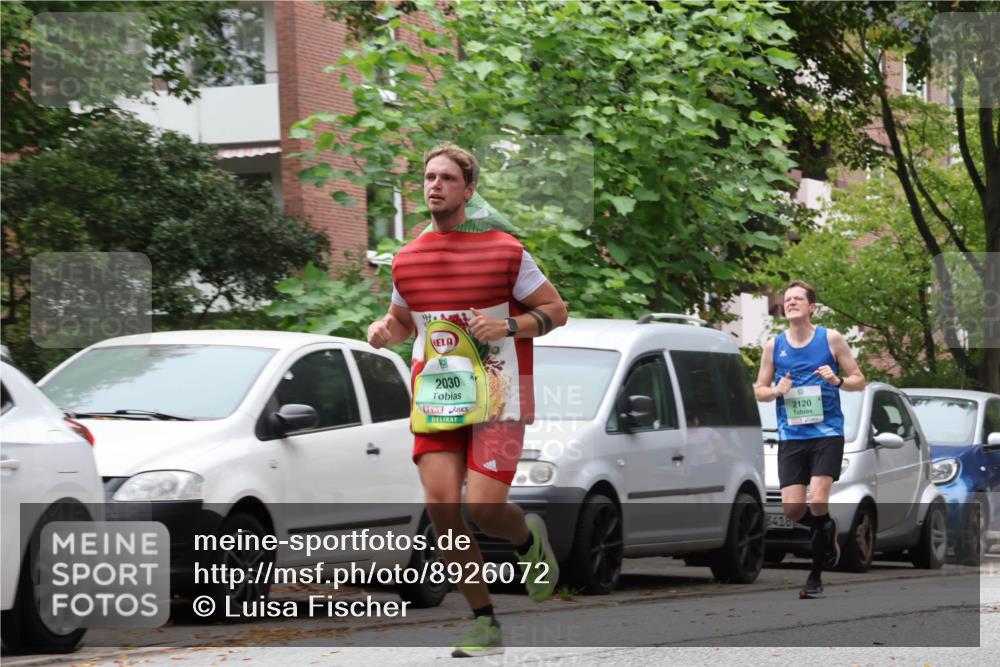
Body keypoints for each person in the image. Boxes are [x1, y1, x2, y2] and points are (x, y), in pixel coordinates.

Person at [367, 142, 569, 657]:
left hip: (498, 392)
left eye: (447, 178)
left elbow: (556, 310)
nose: (435, 185)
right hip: (438, 393)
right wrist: (384, 330)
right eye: (429, 177)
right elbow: (401, 320)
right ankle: (484, 621)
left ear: (469, 189)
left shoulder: (505, 250)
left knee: (483, 506)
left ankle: (528, 541)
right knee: (441, 506)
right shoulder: (408, 259)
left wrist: (509, 324)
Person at [755, 280, 865, 599]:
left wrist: (838, 379)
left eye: (798, 299)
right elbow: (759, 389)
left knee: (817, 499)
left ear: (811, 306)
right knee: (792, 510)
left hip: (827, 433)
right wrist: (776, 390)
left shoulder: (830, 338)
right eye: (787, 299)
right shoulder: (774, 346)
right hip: (792, 436)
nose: (791, 303)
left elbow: (859, 380)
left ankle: (815, 578)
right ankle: (827, 529)